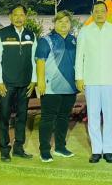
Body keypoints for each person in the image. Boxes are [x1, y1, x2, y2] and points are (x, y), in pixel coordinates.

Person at [75, 1, 112, 163]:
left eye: (102, 11)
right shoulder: (85, 31)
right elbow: (79, 56)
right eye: (96, 11)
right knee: (93, 115)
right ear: (92, 13)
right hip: (91, 79)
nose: (99, 14)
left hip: (111, 79)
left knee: (109, 116)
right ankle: (96, 150)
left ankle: (108, 150)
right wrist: (79, 77)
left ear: (107, 12)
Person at [0, 5, 37, 162]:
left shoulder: (31, 35)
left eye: (21, 15)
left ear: (25, 17)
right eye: (15, 15)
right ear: (10, 17)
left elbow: (34, 59)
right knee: (4, 117)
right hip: (7, 84)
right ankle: (4, 149)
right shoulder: (1, 34)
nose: (18, 18)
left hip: (25, 84)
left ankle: (18, 148)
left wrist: (34, 80)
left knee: (22, 117)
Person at [35, 10, 77, 162]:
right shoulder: (46, 40)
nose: (64, 24)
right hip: (50, 87)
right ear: (54, 23)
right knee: (47, 119)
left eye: (66, 21)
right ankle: (44, 150)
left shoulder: (74, 40)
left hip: (70, 87)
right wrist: (40, 82)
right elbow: (40, 61)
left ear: (70, 24)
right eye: (60, 21)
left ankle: (60, 147)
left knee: (64, 118)